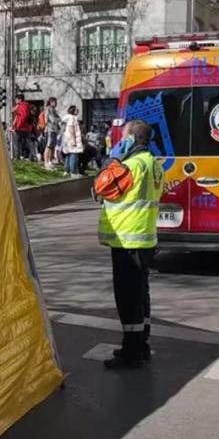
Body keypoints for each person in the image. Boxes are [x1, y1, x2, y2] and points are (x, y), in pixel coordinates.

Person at [98, 120, 163, 369]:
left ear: (131, 139)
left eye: (122, 137)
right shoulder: (153, 164)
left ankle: (131, 351)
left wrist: (112, 161)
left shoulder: (131, 166)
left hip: (127, 240)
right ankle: (141, 344)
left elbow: (101, 187)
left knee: (127, 298)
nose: (118, 141)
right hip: (144, 239)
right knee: (141, 295)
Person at [61, 105, 84, 176]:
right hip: (72, 139)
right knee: (74, 154)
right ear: (73, 111)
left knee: (68, 154)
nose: (78, 111)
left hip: (67, 139)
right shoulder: (72, 118)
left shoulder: (67, 118)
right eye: (76, 110)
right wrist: (74, 140)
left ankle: (66, 170)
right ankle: (73, 172)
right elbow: (71, 129)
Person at [42, 97, 62, 169]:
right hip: (49, 130)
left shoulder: (54, 110)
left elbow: (60, 119)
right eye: (54, 102)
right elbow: (52, 120)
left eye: (56, 102)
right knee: (48, 145)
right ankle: (46, 162)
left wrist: (56, 120)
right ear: (50, 102)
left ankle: (50, 161)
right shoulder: (48, 109)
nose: (55, 103)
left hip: (54, 130)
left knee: (53, 146)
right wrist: (56, 119)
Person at [12, 94, 33, 160]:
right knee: (25, 141)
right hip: (26, 127)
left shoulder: (22, 105)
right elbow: (17, 116)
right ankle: (28, 155)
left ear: (20, 99)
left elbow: (23, 116)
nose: (15, 101)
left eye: (16, 99)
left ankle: (20, 155)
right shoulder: (25, 105)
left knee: (19, 142)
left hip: (21, 127)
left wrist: (18, 126)